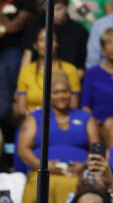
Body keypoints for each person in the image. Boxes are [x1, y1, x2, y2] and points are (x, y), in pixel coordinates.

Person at [18, 70, 100, 203]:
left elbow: (96, 149)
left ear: (71, 94)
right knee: (43, 184)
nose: (61, 96)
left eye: (65, 91)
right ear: (48, 95)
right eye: (56, 92)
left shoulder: (85, 117)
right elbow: (23, 149)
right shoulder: (36, 117)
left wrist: (84, 166)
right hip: (43, 175)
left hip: (77, 176)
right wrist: (43, 166)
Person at [15, 27, 81, 118]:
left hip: (62, 120)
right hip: (33, 120)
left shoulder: (70, 69)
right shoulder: (26, 71)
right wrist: (35, 118)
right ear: (35, 45)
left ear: (56, 44)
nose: (47, 44)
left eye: (51, 39)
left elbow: (74, 105)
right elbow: (21, 108)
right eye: (42, 40)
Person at [20, 0, 88, 73]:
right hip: (38, 78)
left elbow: (81, 68)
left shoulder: (79, 31)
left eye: (59, 9)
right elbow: (28, 53)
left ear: (67, 6)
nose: (54, 14)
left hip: (67, 80)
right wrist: (23, 82)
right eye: (50, 8)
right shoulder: (37, 23)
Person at [0, 0, 35, 120]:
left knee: (8, 67)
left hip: (13, 48)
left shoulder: (23, 0)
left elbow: (12, 27)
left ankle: (6, 114)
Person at [81, 27, 113, 136]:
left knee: (110, 124)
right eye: (109, 42)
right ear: (103, 47)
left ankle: (108, 152)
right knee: (107, 125)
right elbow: (85, 105)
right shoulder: (92, 73)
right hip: (95, 124)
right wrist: (92, 123)